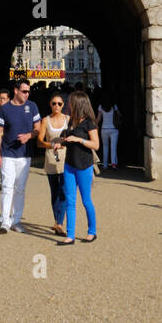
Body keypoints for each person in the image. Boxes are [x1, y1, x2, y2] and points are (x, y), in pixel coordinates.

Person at [0, 78, 40, 233]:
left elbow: (38, 129)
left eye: (28, 91)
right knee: (7, 186)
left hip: (25, 155)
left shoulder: (32, 106)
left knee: (20, 188)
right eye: (24, 91)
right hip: (8, 153)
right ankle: (5, 221)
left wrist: (29, 136)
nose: (27, 94)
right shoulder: (4, 109)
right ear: (16, 90)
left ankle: (16, 220)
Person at [54, 89, 99, 244]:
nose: (68, 104)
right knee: (70, 201)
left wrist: (79, 140)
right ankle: (70, 235)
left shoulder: (89, 122)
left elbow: (96, 144)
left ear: (78, 104)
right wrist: (61, 143)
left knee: (86, 200)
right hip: (69, 164)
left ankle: (92, 231)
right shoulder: (71, 121)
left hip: (84, 165)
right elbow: (68, 139)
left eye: (70, 102)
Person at [37, 93, 70, 235]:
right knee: (54, 190)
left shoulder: (69, 119)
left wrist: (63, 143)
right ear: (50, 105)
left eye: (59, 104)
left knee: (64, 190)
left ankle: (59, 223)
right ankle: (57, 220)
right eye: (54, 103)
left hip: (66, 159)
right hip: (51, 158)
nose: (56, 106)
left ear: (63, 105)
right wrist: (51, 144)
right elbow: (39, 141)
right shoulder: (45, 120)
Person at [96, 95, 121, 170]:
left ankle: (105, 165)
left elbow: (98, 119)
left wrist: (93, 120)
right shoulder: (114, 106)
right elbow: (119, 115)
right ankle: (113, 164)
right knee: (113, 147)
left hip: (104, 129)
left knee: (105, 147)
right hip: (114, 129)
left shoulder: (101, 106)